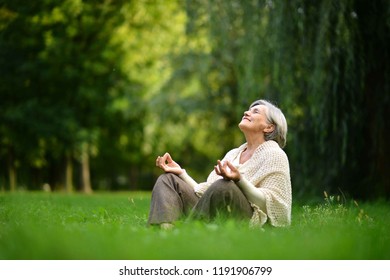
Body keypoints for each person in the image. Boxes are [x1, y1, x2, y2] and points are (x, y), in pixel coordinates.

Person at [147, 99, 292, 229]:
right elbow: (207, 192)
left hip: (248, 217)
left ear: (269, 127)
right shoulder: (233, 154)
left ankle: (186, 231)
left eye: (255, 111)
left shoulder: (275, 155)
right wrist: (181, 173)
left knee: (225, 185)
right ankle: (166, 233)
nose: (246, 112)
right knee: (168, 179)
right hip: (214, 208)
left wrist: (239, 180)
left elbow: (274, 205)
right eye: (248, 110)